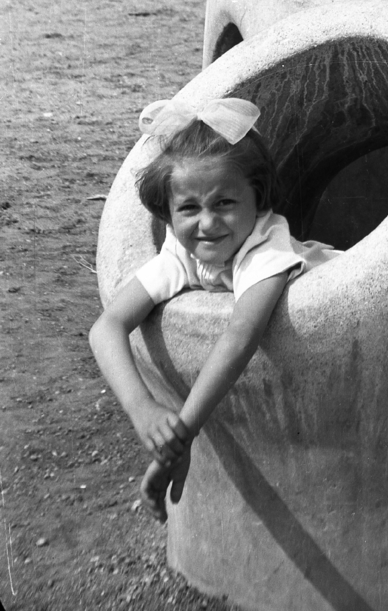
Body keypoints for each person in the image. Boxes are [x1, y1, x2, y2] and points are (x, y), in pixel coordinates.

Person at [89, 98, 340, 522]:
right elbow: (107, 327)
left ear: (258, 200)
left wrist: (180, 438)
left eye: (225, 203)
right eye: (189, 208)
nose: (206, 224)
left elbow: (243, 334)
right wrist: (142, 408)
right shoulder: (183, 251)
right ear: (168, 214)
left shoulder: (265, 246)